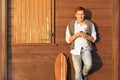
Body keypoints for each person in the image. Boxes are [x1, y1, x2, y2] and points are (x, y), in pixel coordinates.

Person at [65, 6, 97, 80]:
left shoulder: (90, 24)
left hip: (86, 49)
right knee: (77, 71)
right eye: (78, 14)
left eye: (82, 14)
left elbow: (94, 38)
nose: (80, 16)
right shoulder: (70, 25)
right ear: (75, 15)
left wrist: (85, 35)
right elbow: (68, 40)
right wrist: (76, 35)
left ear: (84, 14)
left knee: (89, 65)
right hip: (75, 50)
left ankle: (84, 73)